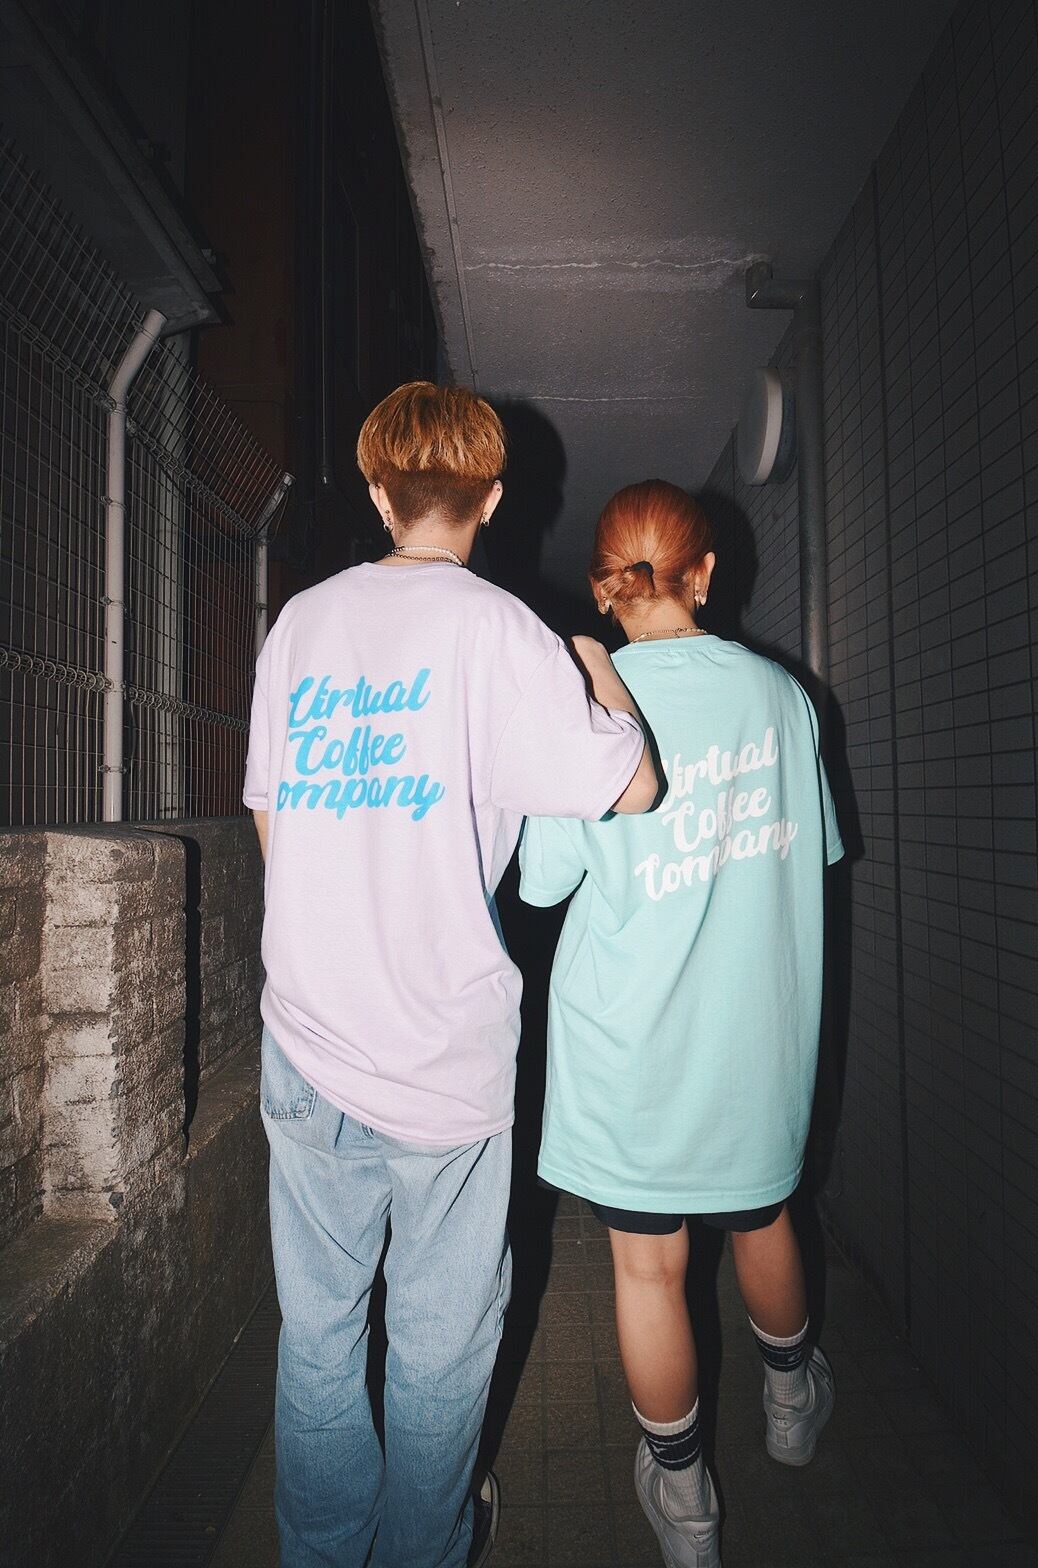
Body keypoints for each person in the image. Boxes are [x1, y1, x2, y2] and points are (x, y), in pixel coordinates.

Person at [243, 382, 657, 1568]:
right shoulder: (503, 634)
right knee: (439, 1341)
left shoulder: (301, 625)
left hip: (308, 1038)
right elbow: (632, 785)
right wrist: (601, 672)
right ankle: (425, 1548)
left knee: (319, 1330)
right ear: (491, 497)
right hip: (444, 1055)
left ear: (379, 493)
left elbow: (272, 820)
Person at [518, 480, 844, 1568]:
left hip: (629, 1050)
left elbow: (543, 880)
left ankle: (687, 1499)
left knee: (649, 1270)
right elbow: (809, 852)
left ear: (608, 590)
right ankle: (790, 1402)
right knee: (764, 1218)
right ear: (703, 573)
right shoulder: (785, 698)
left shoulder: (587, 707)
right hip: (753, 1040)